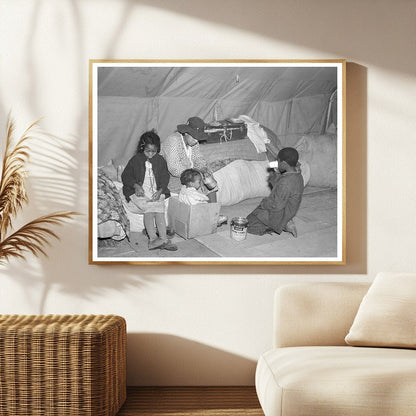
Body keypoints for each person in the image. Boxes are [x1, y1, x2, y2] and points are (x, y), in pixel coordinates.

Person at [121, 130, 177, 251]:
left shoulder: (160, 160)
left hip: (155, 193)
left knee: (159, 210)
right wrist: (136, 185)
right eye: (148, 151)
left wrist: (160, 190)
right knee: (150, 209)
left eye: (154, 151)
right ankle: (153, 239)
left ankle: (162, 238)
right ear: (142, 148)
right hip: (139, 193)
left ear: (158, 149)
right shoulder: (135, 160)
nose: (151, 154)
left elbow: (165, 177)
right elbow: (125, 176)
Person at [247, 147, 304, 237]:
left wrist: (264, 203)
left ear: (284, 163)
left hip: (281, 211)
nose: (277, 163)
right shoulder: (297, 175)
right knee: (257, 214)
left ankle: (284, 224)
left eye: (278, 161)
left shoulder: (285, 183)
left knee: (249, 224)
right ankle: (284, 222)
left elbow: (277, 205)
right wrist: (276, 174)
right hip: (287, 207)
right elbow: (279, 189)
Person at [161, 116, 218, 202]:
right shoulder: (173, 141)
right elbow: (174, 168)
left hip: (190, 174)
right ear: (186, 133)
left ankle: (213, 210)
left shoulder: (193, 142)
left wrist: (203, 170)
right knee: (196, 181)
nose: (196, 141)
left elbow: (198, 158)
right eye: (194, 137)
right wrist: (196, 174)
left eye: (198, 138)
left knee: (208, 175)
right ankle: (201, 207)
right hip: (172, 179)